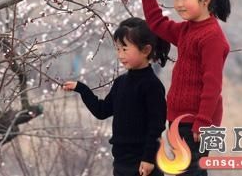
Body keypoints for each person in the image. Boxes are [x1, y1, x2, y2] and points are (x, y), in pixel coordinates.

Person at [140, 0, 231, 176]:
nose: (179, 4)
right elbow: (156, 23)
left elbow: (213, 84)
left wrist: (203, 121)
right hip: (180, 119)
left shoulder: (211, 38)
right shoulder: (187, 30)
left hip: (198, 123)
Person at [63, 17, 170, 176]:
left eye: (125, 49)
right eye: (118, 49)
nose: (120, 55)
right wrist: (81, 89)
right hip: (121, 162)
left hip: (143, 164)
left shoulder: (152, 86)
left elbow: (156, 126)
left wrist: (148, 159)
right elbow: (102, 111)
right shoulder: (121, 82)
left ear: (146, 50)